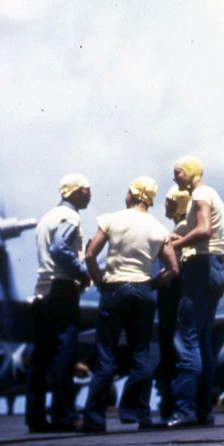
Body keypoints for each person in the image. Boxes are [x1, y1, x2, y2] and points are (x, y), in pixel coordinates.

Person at [81, 177, 179, 432]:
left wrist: (98, 281)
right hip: (143, 291)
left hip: (114, 289)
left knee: (106, 354)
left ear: (134, 195)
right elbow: (173, 268)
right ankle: (141, 415)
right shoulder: (158, 228)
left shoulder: (112, 219)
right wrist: (152, 285)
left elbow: (90, 253)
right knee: (141, 353)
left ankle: (94, 419)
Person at [166, 155, 224, 427]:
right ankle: (205, 410)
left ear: (190, 173)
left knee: (188, 340)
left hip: (200, 267)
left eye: (178, 173)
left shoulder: (201, 193)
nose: (175, 178)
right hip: (215, 266)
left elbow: (204, 230)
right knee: (202, 342)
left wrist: (178, 244)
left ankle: (184, 410)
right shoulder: (211, 194)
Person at [27, 173, 92, 433]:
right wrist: (82, 273)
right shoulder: (70, 217)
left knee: (40, 357)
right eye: (87, 190)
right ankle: (63, 416)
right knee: (64, 355)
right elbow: (59, 248)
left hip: (41, 291)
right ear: (75, 193)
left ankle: (35, 417)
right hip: (62, 289)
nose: (90, 194)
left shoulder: (46, 218)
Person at [153, 185, 191, 421]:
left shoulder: (177, 234)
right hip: (180, 301)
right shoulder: (186, 231)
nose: (165, 205)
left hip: (172, 304)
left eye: (168, 201)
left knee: (174, 351)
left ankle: (172, 405)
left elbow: (172, 271)